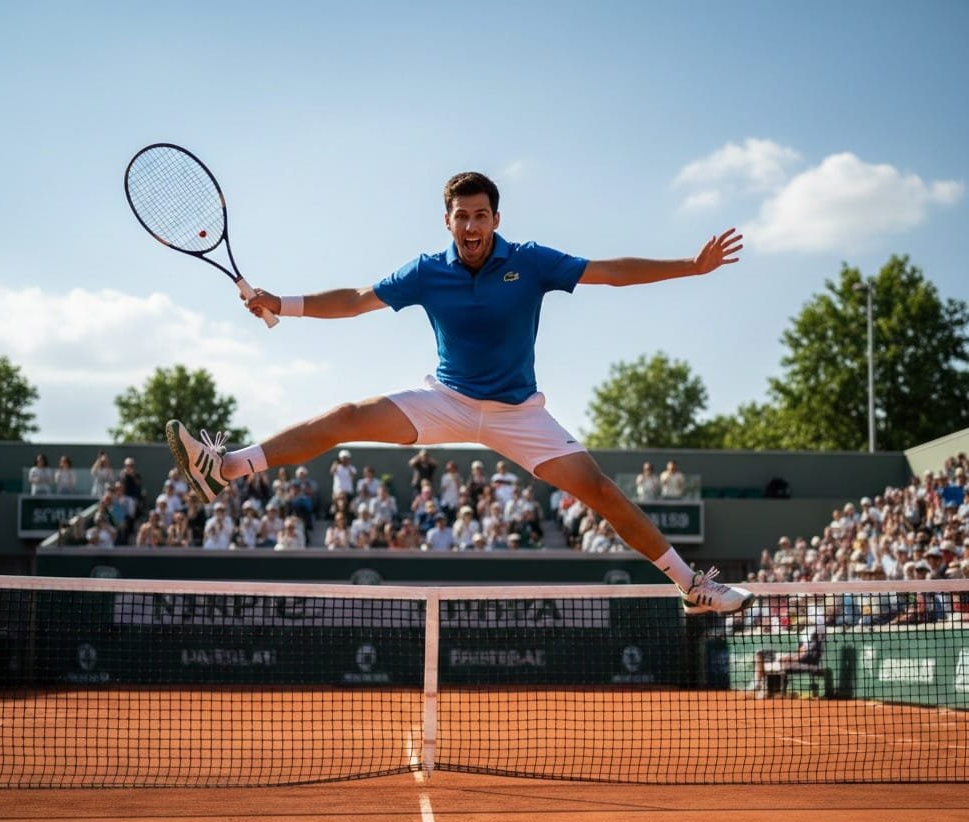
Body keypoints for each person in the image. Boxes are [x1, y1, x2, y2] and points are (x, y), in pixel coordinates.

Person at [166, 170, 753, 613]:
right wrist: (283, 305)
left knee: (600, 489)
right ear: (447, 221)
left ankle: (690, 585)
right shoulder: (427, 270)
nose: (471, 226)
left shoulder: (532, 261)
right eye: (461, 216)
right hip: (445, 401)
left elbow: (609, 270)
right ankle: (226, 468)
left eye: (481, 215)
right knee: (346, 415)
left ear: (495, 219)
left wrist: (690, 266)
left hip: (519, 413)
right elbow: (355, 300)